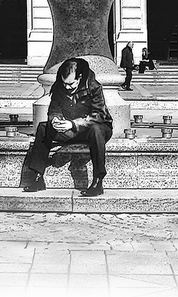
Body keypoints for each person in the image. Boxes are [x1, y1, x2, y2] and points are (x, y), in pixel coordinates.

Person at [21, 58, 112, 196]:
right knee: (43, 128)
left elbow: (99, 115)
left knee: (96, 130)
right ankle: (38, 177)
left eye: (71, 84)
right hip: (70, 129)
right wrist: (55, 120)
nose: (67, 87)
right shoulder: (59, 87)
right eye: (64, 84)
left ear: (80, 77)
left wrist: (74, 123)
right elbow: (53, 110)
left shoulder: (93, 86)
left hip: (94, 128)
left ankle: (98, 181)